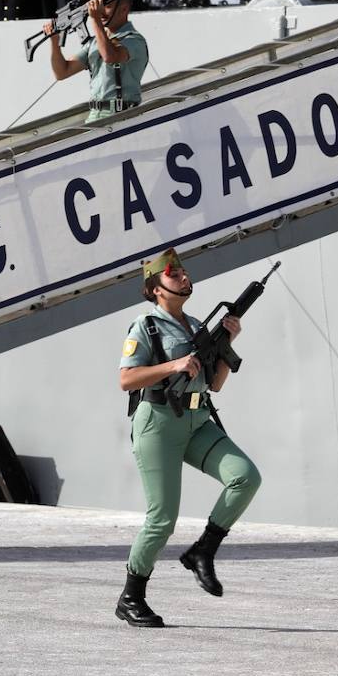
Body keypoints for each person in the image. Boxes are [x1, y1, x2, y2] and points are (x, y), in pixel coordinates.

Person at [111, 247, 261, 628]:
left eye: (182, 270)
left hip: (197, 419)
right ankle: (131, 596)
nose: (181, 276)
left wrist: (227, 345)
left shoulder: (196, 326)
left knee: (245, 477)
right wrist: (173, 364)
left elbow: (215, 384)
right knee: (162, 519)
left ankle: (202, 552)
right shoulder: (144, 326)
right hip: (157, 423)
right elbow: (126, 379)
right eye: (172, 273)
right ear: (155, 289)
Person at [44, 0, 147, 122]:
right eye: (99, 6)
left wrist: (95, 19)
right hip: (95, 116)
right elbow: (62, 72)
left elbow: (110, 57)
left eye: (107, 6)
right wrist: (54, 42)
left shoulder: (134, 40)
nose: (101, 11)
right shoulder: (95, 42)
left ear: (124, 9)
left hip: (122, 116)